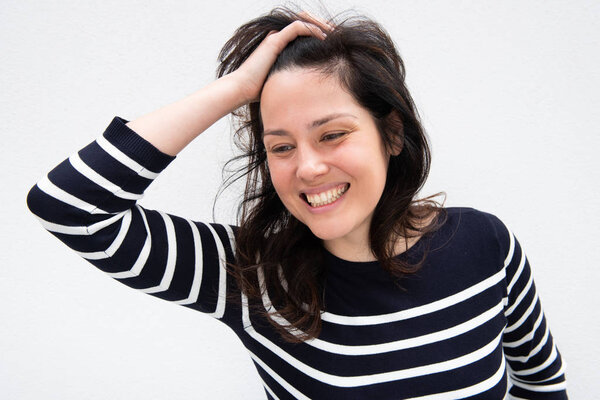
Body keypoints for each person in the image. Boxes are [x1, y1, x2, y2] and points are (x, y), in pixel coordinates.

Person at [26, 7, 568, 399]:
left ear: (392, 134)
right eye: (281, 146)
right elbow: (68, 205)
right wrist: (237, 88)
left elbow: (542, 384)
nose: (306, 167)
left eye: (332, 134)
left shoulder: (486, 244)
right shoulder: (250, 275)